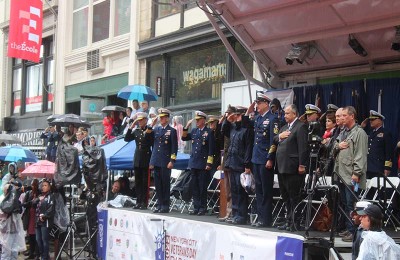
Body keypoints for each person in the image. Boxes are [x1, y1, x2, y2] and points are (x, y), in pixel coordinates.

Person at [242, 93, 280, 227]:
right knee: (258, 190)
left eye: (259, 103)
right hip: (256, 158)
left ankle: (266, 219)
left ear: (266, 104)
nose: (257, 106)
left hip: (265, 159)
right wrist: (248, 111)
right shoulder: (258, 118)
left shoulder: (273, 118)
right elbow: (245, 123)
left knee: (265, 190)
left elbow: (273, 141)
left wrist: (270, 158)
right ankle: (260, 218)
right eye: (256, 103)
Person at [333, 106, 368, 242]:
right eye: (339, 116)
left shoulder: (360, 133)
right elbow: (333, 150)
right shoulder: (343, 132)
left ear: (352, 116)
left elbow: (360, 155)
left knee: (352, 204)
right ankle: (349, 229)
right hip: (341, 174)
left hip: (351, 175)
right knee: (346, 204)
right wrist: (337, 146)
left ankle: (355, 232)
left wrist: (357, 173)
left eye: (344, 116)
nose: (340, 118)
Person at [275, 104, 308, 231]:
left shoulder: (300, 126)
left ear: (294, 114)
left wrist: (302, 164)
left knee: (294, 196)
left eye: (287, 113)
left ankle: (295, 222)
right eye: (284, 113)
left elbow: (303, 147)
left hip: (293, 167)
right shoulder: (284, 127)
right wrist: (279, 136)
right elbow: (274, 139)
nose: (285, 116)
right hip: (282, 166)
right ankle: (288, 220)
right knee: (285, 196)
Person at [222, 106, 253, 224]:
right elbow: (224, 131)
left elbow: (248, 148)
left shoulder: (247, 129)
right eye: (236, 115)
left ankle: (242, 216)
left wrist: (247, 164)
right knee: (234, 190)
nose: (236, 118)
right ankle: (235, 214)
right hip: (232, 162)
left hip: (241, 164)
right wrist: (227, 119)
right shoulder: (234, 128)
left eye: (239, 115)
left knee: (241, 192)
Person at [182, 111, 216, 216]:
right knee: (195, 186)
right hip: (194, 162)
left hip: (202, 163)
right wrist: (186, 127)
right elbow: (184, 137)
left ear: (203, 120)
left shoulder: (209, 132)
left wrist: (209, 163)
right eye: (196, 120)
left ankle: (203, 207)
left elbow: (211, 149)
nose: (196, 121)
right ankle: (196, 207)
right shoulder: (194, 131)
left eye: (198, 120)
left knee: (202, 187)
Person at [147, 108, 178, 213]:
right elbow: (148, 138)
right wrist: (151, 125)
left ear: (168, 118)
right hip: (156, 160)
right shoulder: (156, 129)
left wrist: (172, 161)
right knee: (158, 184)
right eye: (160, 117)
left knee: (165, 183)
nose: (161, 119)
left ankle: (165, 205)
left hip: (165, 161)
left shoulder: (172, 131)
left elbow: (174, 147)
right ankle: (159, 204)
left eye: (163, 117)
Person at [124, 112, 154, 209]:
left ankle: (144, 202)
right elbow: (127, 138)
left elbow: (152, 145)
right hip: (137, 158)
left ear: (145, 120)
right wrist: (131, 126)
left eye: (141, 120)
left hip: (146, 157)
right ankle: (138, 201)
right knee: (138, 181)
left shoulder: (150, 131)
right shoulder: (136, 131)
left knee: (145, 182)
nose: (140, 122)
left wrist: (152, 161)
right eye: (139, 120)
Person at [360, 110, 392, 179]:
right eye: (370, 120)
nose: (371, 121)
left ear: (380, 121)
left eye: (373, 119)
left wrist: (387, 167)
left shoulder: (385, 133)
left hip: (378, 167)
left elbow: (388, 152)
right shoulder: (371, 133)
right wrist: (361, 127)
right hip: (368, 166)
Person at [218, 105, 236, 222]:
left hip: (234, 161)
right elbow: (219, 136)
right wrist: (223, 121)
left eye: (229, 114)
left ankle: (232, 213)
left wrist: (227, 121)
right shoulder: (227, 126)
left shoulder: (235, 127)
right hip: (226, 160)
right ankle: (228, 213)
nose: (227, 116)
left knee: (233, 188)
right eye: (226, 113)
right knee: (227, 189)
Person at [0, 184, 26, 260]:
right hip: (5, 230)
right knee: (6, 252)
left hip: (15, 229)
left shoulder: (15, 200)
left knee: (14, 251)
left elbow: (21, 211)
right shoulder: (2, 200)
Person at [34, 179, 54, 260]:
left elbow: (51, 209)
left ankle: (45, 257)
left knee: (44, 240)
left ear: (49, 187)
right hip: (37, 221)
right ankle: (43, 255)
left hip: (45, 222)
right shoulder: (39, 196)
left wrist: (44, 216)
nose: (43, 187)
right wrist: (38, 199)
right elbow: (33, 203)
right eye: (42, 185)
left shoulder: (51, 196)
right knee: (38, 240)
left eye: (45, 185)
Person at [22, 179, 40, 260]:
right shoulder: (28, 193)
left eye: (35, 185)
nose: (33, 186)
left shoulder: (39, 193)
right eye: (32, 185)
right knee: (31, 236)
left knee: (37, 236)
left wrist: (35, 202)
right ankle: (31, 253)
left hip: (36, 217)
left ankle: (37, 253)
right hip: (29, 216)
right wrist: (31, 202)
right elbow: (24, 204)